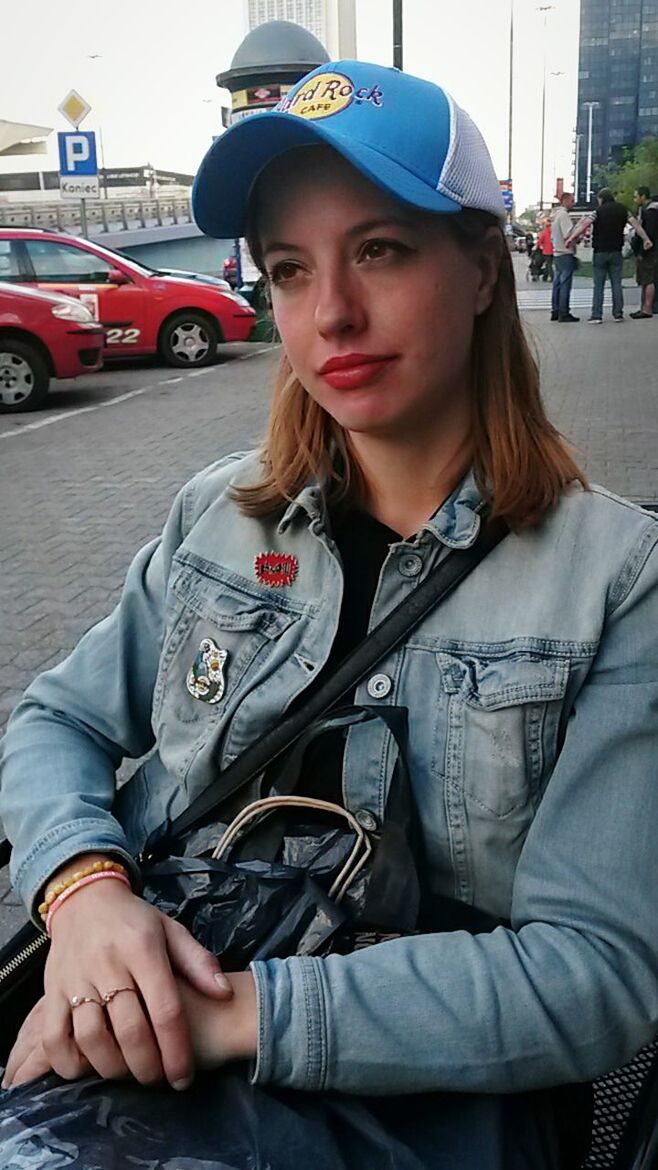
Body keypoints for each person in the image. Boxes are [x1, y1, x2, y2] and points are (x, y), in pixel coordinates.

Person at [2, 59, 658, 1170]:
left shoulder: (614, 579)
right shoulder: (220, 516)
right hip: (142, 1034)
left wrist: (230, 1016)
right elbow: (56, 722)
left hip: (415, 1103)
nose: (332, 314)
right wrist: (85, 896)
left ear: (484, 271)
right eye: (291, 270)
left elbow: (595, 974)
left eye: (381, 251)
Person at [567, 187, 651, 322]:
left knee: (598, 285)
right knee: (616, 284)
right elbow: (636, 225)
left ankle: (596, 315)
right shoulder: (623, 210)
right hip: (616, 251)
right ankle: (618, 314)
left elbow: (585, 225)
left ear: (601, 199)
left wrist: (571, 238)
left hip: (600, 252)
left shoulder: (598, 211)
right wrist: (646, 239)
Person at [550, 192, 580, 321]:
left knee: (557, 283)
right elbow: (568, 235)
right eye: (572, 201)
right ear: (565, 201)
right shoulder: (564, 216)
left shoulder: (555, 216)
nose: (573, 204)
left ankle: (555, 310)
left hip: (557, 252)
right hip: (565, 252)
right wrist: (577, 238)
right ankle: (564, 312)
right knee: (565, 284)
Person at [631, 186, 658, 319]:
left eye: (636, 196)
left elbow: (650, 233)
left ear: (643, 196)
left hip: (649, 251)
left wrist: (642, 251)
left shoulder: (651, 211)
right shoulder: (647, 210)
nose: (635, 199)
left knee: (648, 279)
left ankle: (647, 308)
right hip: (648, 250)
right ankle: (645, 307)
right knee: (645, 279)